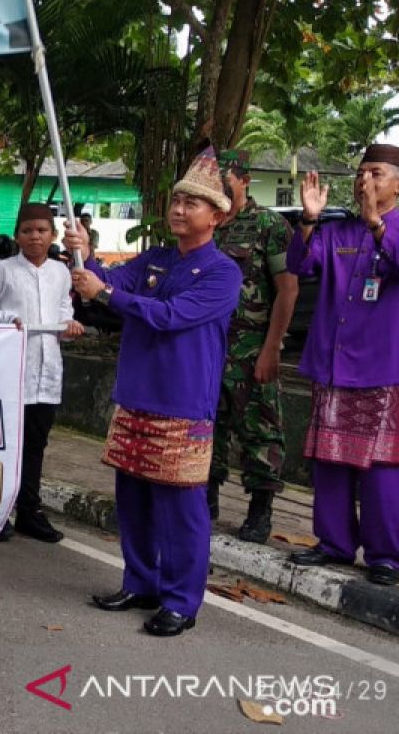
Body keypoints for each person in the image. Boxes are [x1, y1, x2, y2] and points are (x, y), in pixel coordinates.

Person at [68, 146, 241, 636]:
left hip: (183, 404)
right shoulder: (156, 258)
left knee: (182, 509)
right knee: (134, 499)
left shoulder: (223, 274)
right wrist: (85, 253)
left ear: (216, 216)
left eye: (193, 203)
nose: (179, 209)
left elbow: (168, 316)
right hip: (136, 396)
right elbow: (108, 280)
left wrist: (105, 293)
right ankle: (140, 582)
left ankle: (182, 601)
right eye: (177, 200)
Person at [286, 145, 399, 586]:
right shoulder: (340, 230)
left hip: (383, 368)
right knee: (329, 459)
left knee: (383, 466)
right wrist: (309, 219)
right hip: (333, 365)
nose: (364, 181)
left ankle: (385, 555)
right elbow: (301, 263)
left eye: (375, 173)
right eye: (360, 173)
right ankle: (333, 544)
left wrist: (377, 225)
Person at [0, 203, 85, 543]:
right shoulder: (1, 272)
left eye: (42, 230)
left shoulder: (61, 273)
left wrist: (69, 326)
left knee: (36, 444)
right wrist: (7, 320)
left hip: (47, 372)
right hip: (10, 371)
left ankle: (29, 512)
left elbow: (64, 311)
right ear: (18, 235)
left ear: (52, 235)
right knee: (6, 443)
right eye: (28, 230)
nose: (35, 236)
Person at [208, 150, 298, 542]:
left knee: (260, 430)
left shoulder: (268, 225)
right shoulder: (206, 224)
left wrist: (272, 347)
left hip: (250, 349)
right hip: (209, 348)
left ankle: (260, 510)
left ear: (244, 181)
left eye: (226, 182)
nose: (221, 191)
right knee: (206, 429)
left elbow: (287, 289)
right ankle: (204, 498)